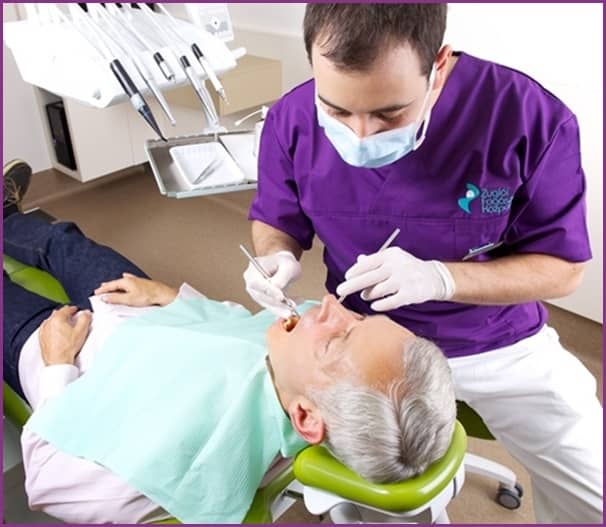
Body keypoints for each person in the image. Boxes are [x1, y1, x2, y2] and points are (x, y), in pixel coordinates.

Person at [244, 3, 603, 523]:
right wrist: (273, 255)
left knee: (594, 487)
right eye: (338, 112)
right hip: (363, 342)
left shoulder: (526, 117)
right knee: (379, 494)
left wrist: (441, 278)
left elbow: (564, 269)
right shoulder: (292, 118)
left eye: (389, 115)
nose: (360, 136)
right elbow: (275, 219)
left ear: (438, 64)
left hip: (494, 340)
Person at [2, 164, 455, 524]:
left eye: (336, 340)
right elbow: (232, 333)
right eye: (359, 317)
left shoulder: (191, 456)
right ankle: (7, 217)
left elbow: (46, 482)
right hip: (145, 311)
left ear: (304, 417)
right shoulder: (297, 367)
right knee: (61, 240)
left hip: (73, 356)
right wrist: (170, 296)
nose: (331, 303)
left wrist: (57, 365)